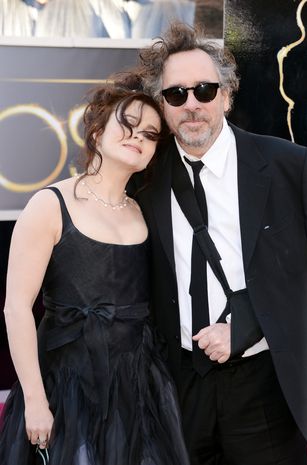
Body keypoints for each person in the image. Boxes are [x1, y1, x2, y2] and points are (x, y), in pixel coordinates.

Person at [131, 22, 307, 464]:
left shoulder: (291, 166)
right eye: (176, 94)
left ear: (227, 96)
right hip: (177, 384)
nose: (191, 105)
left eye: (205, 91)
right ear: (162, 106)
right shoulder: (142, 182)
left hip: (263, 385)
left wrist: (251, 322)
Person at [0, 75, 190, 465]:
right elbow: (16, 308)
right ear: (99, 130)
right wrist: (36, 401)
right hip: (66, 386)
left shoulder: (146, 211)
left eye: (151, 134)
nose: (138, 137)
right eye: (129, 124)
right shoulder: (50, 204)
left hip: (138, 388)